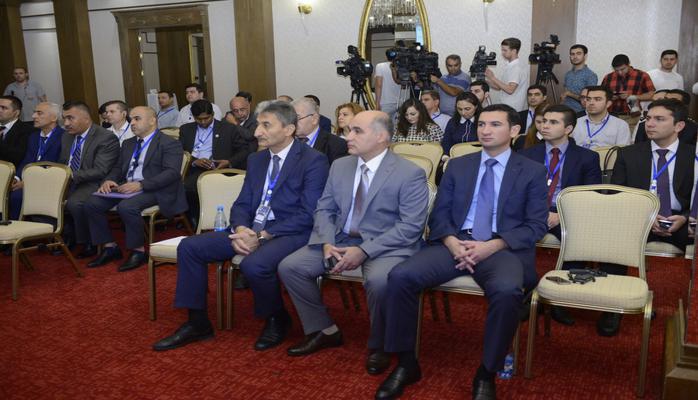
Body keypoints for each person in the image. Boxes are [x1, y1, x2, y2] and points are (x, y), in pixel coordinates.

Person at [377, 104, 548, 400]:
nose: (485, 130)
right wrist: (451, 241)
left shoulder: (532, 171)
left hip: (501, 248)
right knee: (400, 276)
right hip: (454, 243)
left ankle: (487, 372)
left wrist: (492, 245)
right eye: (481, 124)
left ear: (515, 130)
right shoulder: (458, 165)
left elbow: (535, 225)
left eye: (495, 125)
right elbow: (439, 214)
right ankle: (406, 362)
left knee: (507, 292)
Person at [152, 101, 329, 352]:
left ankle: (277, 318)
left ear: (289, 129)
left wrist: (262, 235)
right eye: (258, 125)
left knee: (254, 265)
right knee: (190, 247)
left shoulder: (313, 160)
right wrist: (242, 228)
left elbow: (309, 213)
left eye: (266, 125)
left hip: (289, 232)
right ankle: (197, 322)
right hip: (250, 229)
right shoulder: (256, 159)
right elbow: (242, 203)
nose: (257, 132)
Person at [278, 110, 428, 368]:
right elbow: (324, 208)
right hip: (340, 239)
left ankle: (381, 344)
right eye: (349, 130)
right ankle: (324, 329)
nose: (348, 136)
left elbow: (410, 227)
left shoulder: (409, 173)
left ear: (381, 137)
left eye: (357, 131)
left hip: (386, 246)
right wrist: (326, 241)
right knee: (291, 267)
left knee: (381, 281)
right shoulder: (340, 165)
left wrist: (364, 250)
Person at [609, 98, 693, 337]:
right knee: (612, 238)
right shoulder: (629, 154)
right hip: (638, 218)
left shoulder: (693, 156)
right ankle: (613, 305)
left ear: (679, 126)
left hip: (682, 221)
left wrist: (685, 217)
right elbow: (616, 195)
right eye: (648, 118)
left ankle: (692, 315)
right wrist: (645, 215)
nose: (650, 123)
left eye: (659, 119)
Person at [520, 104, 602, 325]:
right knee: (514, 234)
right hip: (533, 212)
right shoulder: (527, 155)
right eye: (544, 121)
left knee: (578, 237)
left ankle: (559, 298)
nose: (545, 126)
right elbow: (516, 191)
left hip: (567, 213)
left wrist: (561, 214)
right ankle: (528, 292)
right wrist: (537, 213)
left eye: (553, 122)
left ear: (568, 129)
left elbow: (591, 195)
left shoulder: (587, 157)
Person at [83, 106, 187, 271]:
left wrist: (141, 184)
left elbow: (171, 173)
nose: (132, 123)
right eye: (131, 119)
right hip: (127, 187)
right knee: (92, 203)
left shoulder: (169, 143)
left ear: (152, 121)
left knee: (127, 206)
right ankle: (110, 247)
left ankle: (138, 251)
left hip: (155, 188)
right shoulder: (128, 143)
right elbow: (117, 168)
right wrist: (109, 180)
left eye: (137, 119)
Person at [179, 99, 256, 226]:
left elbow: (244, 150)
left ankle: (201, 219)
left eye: (206, 118)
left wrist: (229, 162)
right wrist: (194, 161)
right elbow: (179, 152)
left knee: (195, 185)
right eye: (199, 119)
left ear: (213, 114)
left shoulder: (228, 128)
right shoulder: (186, 129)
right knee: (185, 186)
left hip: (219, 168)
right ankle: (194, 219)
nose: (203, 122)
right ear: (194, 117)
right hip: (194, 168)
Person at [59, 101, 120, 257]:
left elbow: (100, 170)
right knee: (42, 196)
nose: (66, 123)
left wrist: (70, 176)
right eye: (64, 119)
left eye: (70, 118)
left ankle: (89, 242)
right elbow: (63, 162)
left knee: (75, 203)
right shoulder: (66, 137)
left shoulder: (105, 137)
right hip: (68, 180)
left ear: (86, 118)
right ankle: (63, 236)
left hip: (94, 182)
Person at [9, 102, 65, 220]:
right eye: (34, 112)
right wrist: (16, 178)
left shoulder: (64, 137)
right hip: (28, 180)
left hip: (50, 182)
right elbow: (27, 160)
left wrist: (29, 181)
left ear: (54, 118)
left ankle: (21, 229)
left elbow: (58, 166)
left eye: (39, 113)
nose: (33, 116)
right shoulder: (33, 136)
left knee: (16, 197)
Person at [601, 54, 655, 133]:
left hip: (631, 117)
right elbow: (601, 95)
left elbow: (651, 95)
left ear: (629, 64)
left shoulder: (642, 75)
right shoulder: (608, 77)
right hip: (611, 116)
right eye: (616, 70)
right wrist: (610, 97)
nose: (620, 72)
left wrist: (633, 96)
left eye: (622, 69)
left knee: (630, 139)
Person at [292, 98, 348, 164]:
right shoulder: (287, 141)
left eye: (297, 118)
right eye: (291, 118)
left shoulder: (337, 145)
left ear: (314, 119)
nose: (293, 122)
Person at [485, 37, 529, 111]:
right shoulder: (509, 65)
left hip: (514, 108)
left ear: (514, 51)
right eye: (502, 50)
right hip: (506, 106)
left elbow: (510, 90)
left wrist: (492, 78)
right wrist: (486, 81)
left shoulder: (516, 67)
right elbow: (499, 87)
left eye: (505, 50)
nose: (502, 53)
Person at [561, 44, 598, 113]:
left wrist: (570, 94)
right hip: (565, 111)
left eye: (578, 53)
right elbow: (565, 93)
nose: (575, 57)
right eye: (572, 54)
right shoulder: (568, 74)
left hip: (580, 112)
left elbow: (589, 98)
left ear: (585, 56)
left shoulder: (591, 75)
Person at [0, 95, 32, 168]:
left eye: (4, 108)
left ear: (16, 113)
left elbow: (17, 157)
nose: (0, 110)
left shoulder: (27, 130)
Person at [373, 53, 401, 119]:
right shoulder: (401, 66)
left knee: (384, 124)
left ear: (386, 56)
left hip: (386, 102)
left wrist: (377, 103)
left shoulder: (380, 66)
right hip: (400, 101)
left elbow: (379, 85)